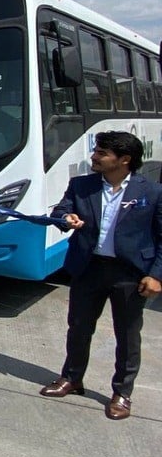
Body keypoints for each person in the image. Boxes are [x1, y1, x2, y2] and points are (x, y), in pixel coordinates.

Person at [39, 131, 162, 420]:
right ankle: (72, 378)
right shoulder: (82, 185)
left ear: (124, 160)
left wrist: (156, 275)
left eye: (101, 153)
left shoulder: (151, 192)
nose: (94, 156)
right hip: (88, 268)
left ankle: (122, 392)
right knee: (79, 327)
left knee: (128, 335)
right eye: (96, 151)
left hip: (129, 274)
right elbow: (61, 211)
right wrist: (66, 220)